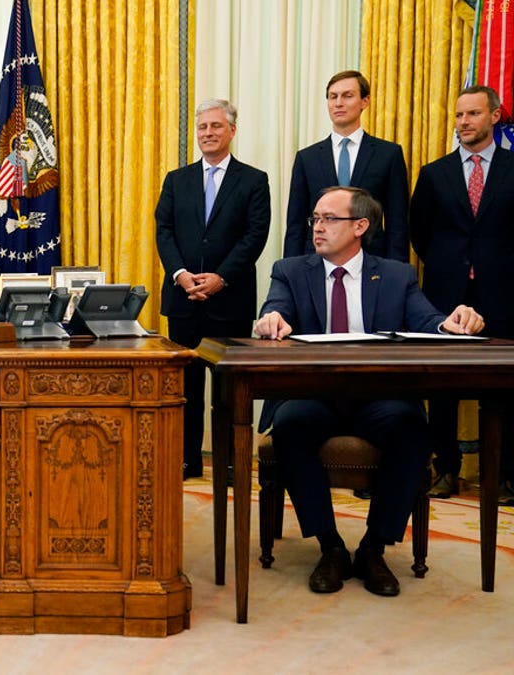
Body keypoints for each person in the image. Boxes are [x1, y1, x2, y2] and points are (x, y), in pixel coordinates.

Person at [255, 186, 484, 597]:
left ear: (360, 226)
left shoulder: (395, 274)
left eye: (329, 219)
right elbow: (275, 307)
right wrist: (271, 319)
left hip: (379, 396)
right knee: (289, 426)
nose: (318, 228)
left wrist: (454, 322)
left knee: (412, 428)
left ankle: (373, 549)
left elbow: (428, 320)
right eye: (315, 219)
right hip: (315, 395)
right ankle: (331, 547)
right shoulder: (290, 270)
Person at [155, 99, 270, 479]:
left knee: (227, 392)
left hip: (230, 300)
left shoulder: (254, 180)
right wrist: (179, 273)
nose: (208, 133)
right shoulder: (177, 179)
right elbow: (164, 231)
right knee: (186, 388)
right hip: (183, 298)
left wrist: (222, 277)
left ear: (232, 131)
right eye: (203, 127)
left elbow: (255, 236)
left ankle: (229, 459)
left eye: (216, 126)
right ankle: (187, 459)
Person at [410, 85, 514, 504]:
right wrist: (447, 266)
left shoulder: (512, 167)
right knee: (443, 387)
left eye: (472, 114)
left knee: (505, 389)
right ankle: (446, 469)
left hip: (504, 294)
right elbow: (420, 232)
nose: (464, 122)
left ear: (494, 116)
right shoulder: (434, 173)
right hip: (445, 295)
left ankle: (504, 476)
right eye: (458, 116)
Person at [284, 71, 409, 261]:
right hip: (317, 260)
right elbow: (296, 224)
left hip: (372, 260)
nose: (338, 103)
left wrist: (397, 273)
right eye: (333, 97)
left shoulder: (388, 155)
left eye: (347, 96)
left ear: (364, 101)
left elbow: (397, 223)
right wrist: (289, 272)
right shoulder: (306, 158)